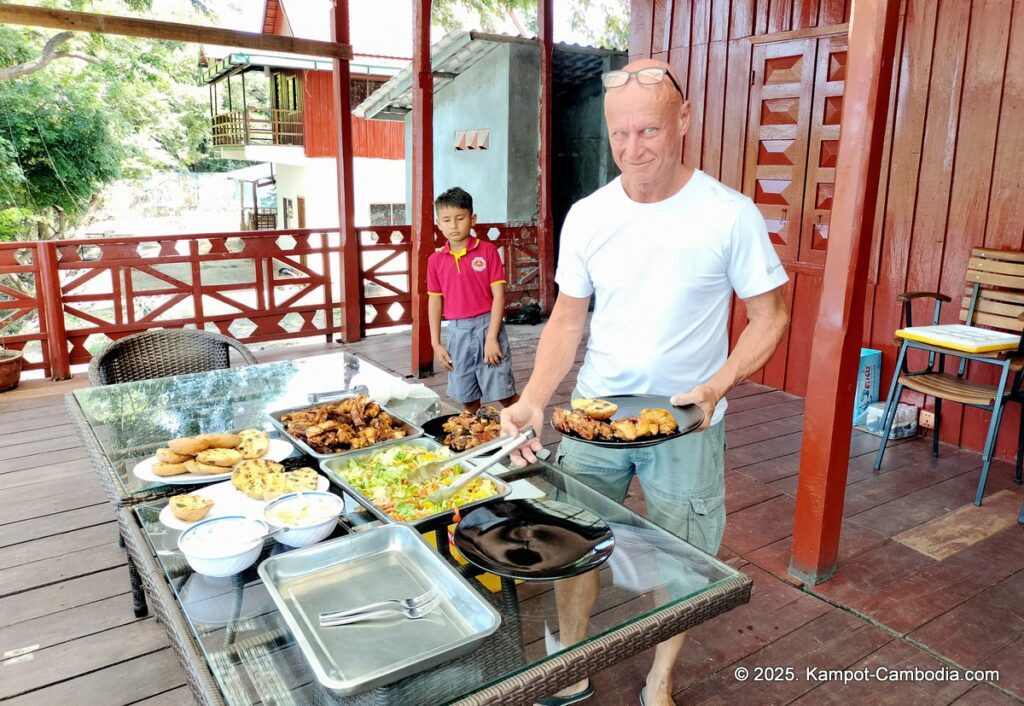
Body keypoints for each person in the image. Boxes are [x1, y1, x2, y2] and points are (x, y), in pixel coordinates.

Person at [500, 58, 790, 706]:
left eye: (649, 132)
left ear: (682, 121)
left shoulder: (728, 214)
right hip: (594, 417)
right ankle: (570, 662)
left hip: (687, 423)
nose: (633, 149)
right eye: (620, 133)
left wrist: (717, 385)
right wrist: (533, 399)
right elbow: (567, 320)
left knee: (680, 559)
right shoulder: (589, 216)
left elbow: (771, 316)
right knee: (568, 542)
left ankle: (661, 675)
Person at [428, 186, 520, 412]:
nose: (454, 225)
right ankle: (480, 443)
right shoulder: (436, 260)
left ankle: (528, 435)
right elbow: (435, 302)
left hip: (487, 326)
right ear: (439, 224)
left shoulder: (487, 251)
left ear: (473, 219)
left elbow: (499, 297)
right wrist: (436, 343)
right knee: (467, 398)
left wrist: (491, 338)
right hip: (457, 332)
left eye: (460, 218)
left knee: (504, 394)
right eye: (447, 220)